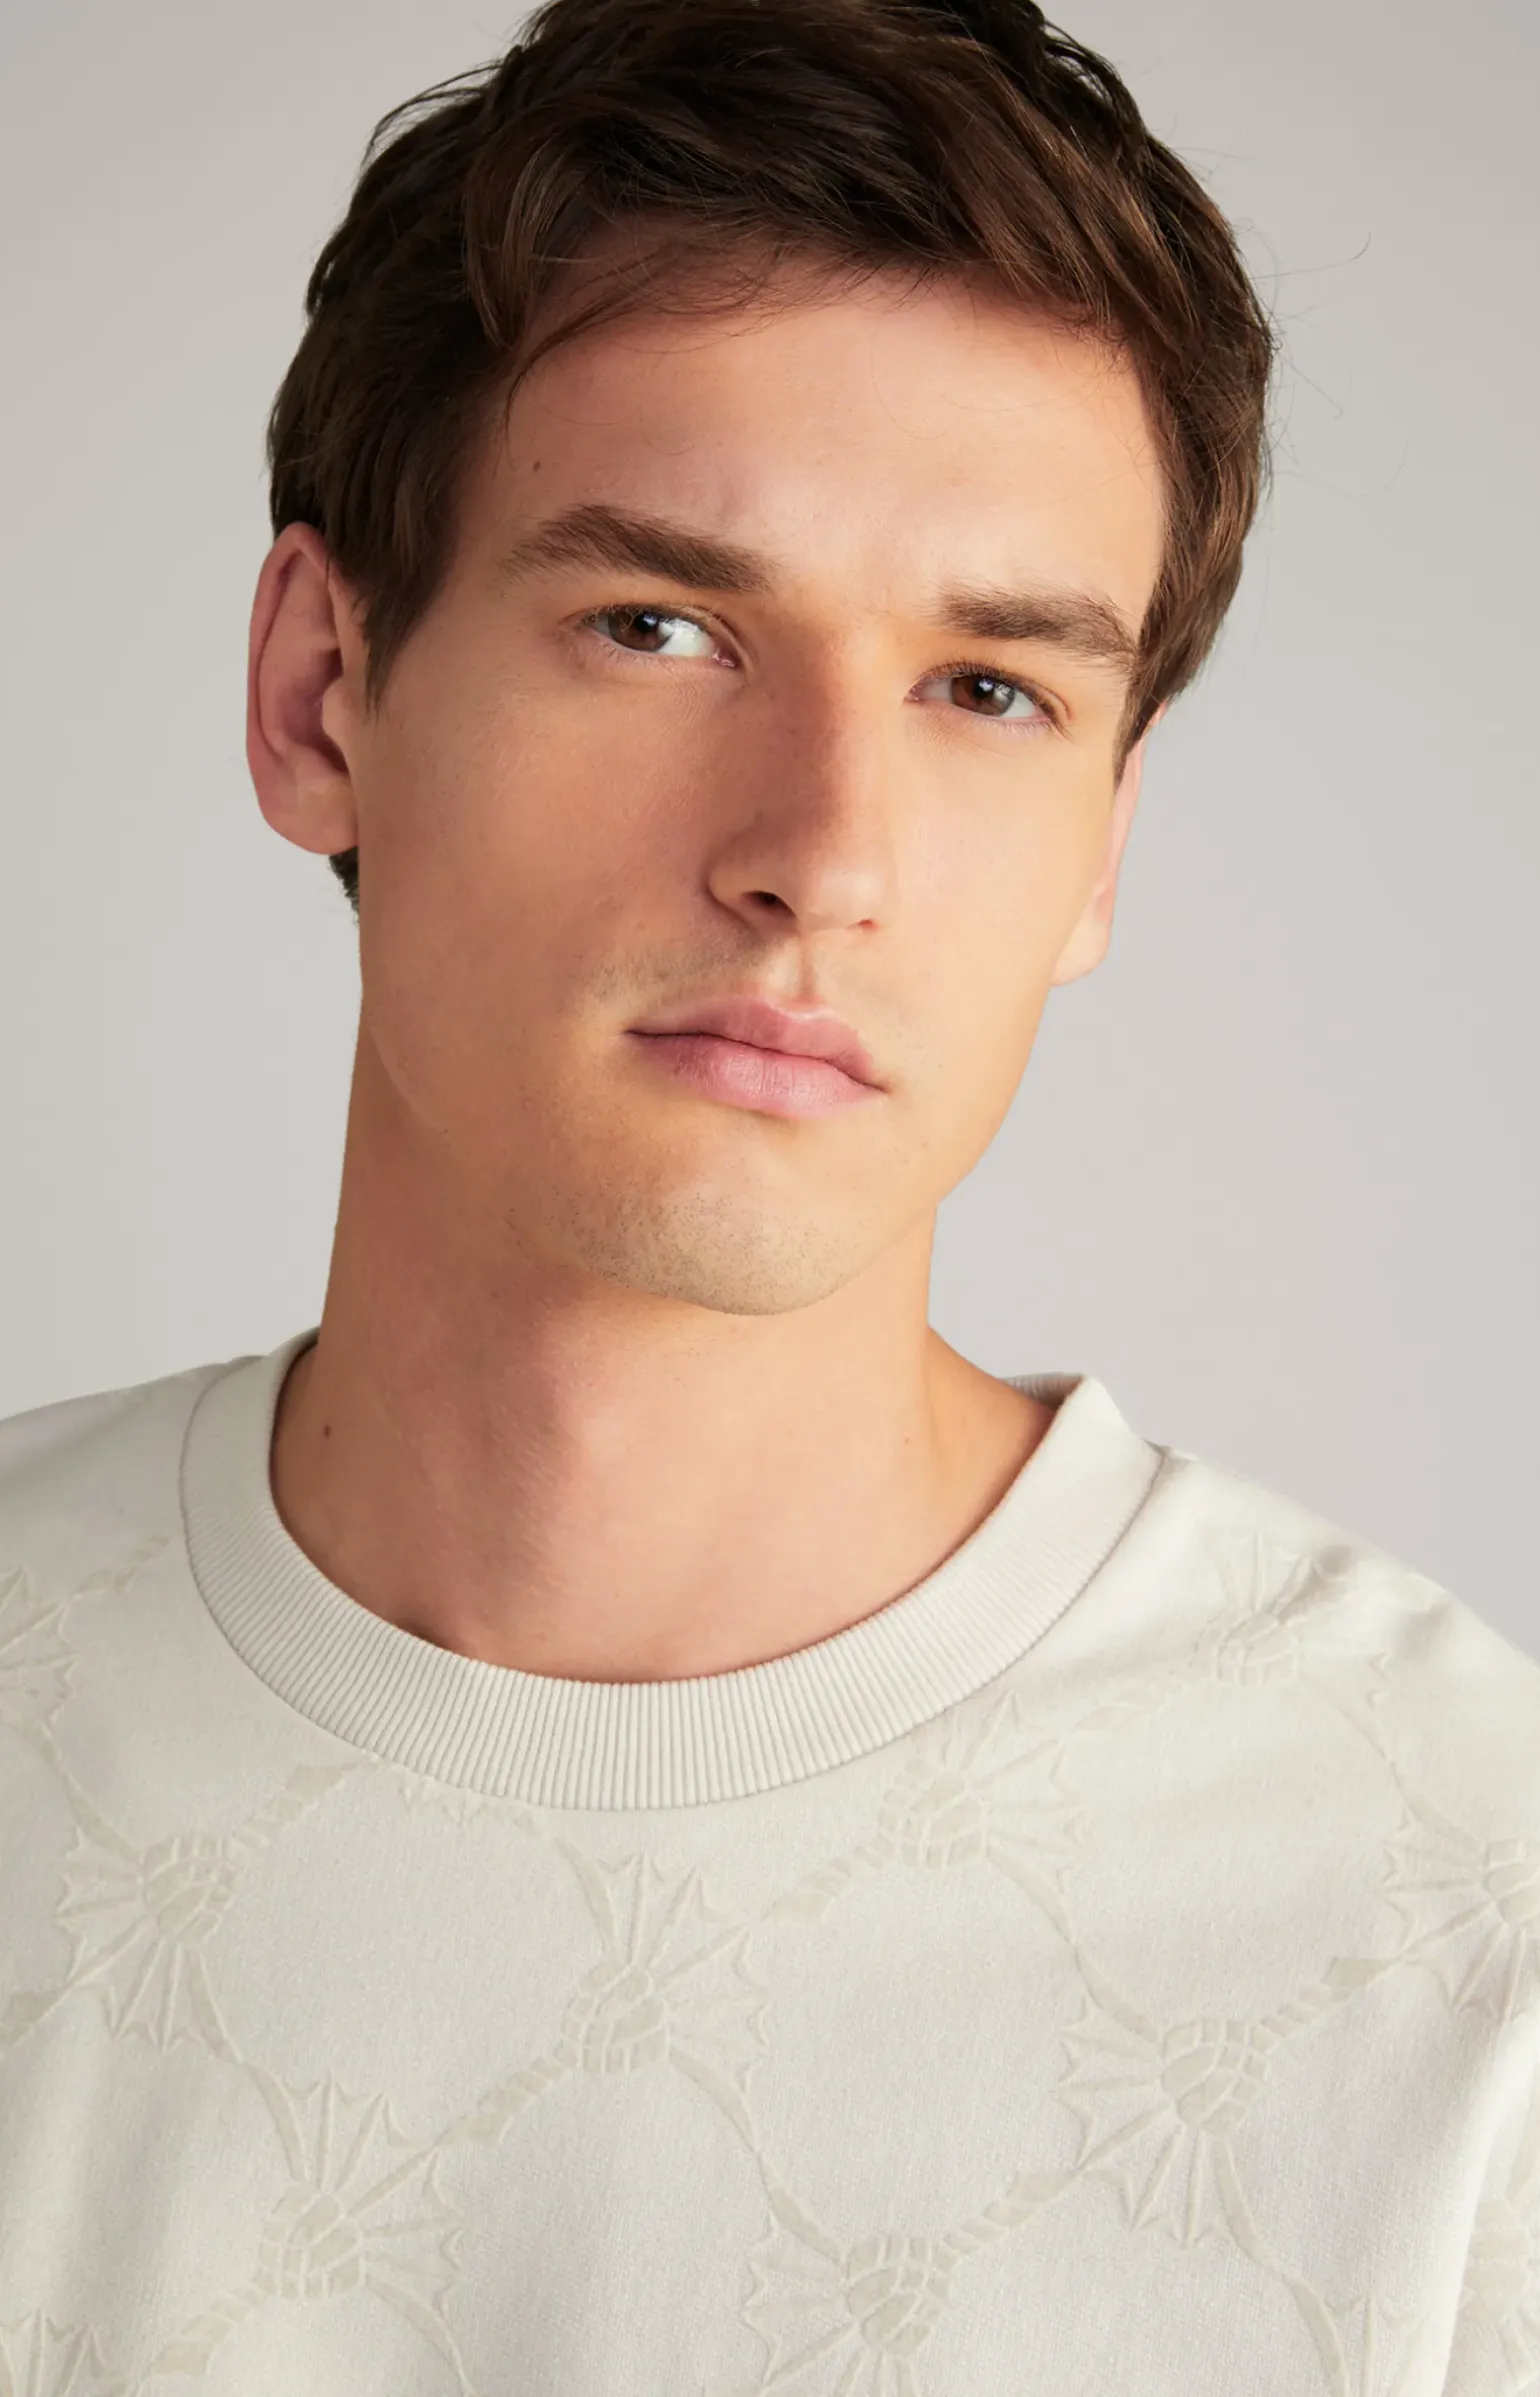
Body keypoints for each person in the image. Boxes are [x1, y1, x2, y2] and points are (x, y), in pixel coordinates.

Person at [0, 0, 1535, 2386]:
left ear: (1098, 848)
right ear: (320, 694)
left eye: (989, 688)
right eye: (659, 627)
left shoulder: (1462, 1924)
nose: (819, 851)